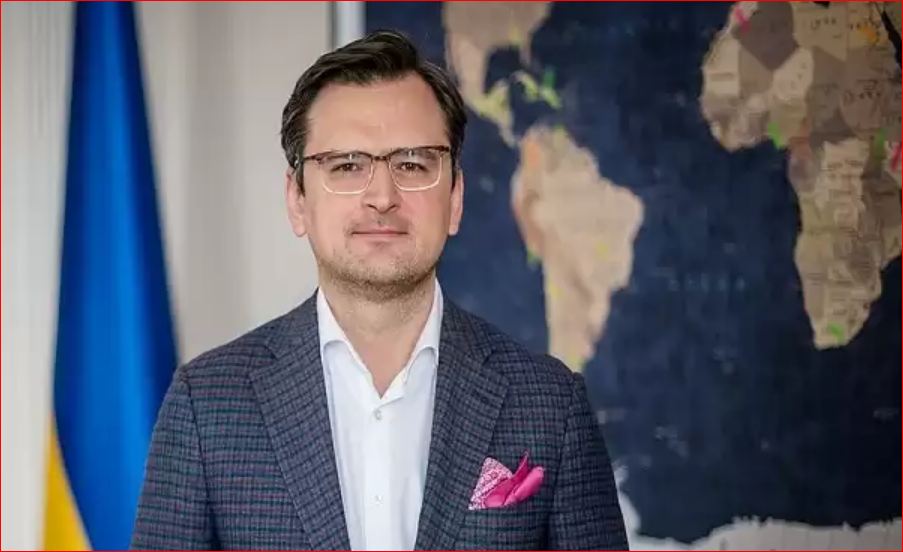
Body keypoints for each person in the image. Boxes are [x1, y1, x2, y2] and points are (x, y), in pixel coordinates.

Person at [132, 30, 627, 551]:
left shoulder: (550, 405)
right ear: (297, 200)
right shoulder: (207, 405)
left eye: (412, 164)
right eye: (347, 165)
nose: (382, 196)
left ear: (455, 198)